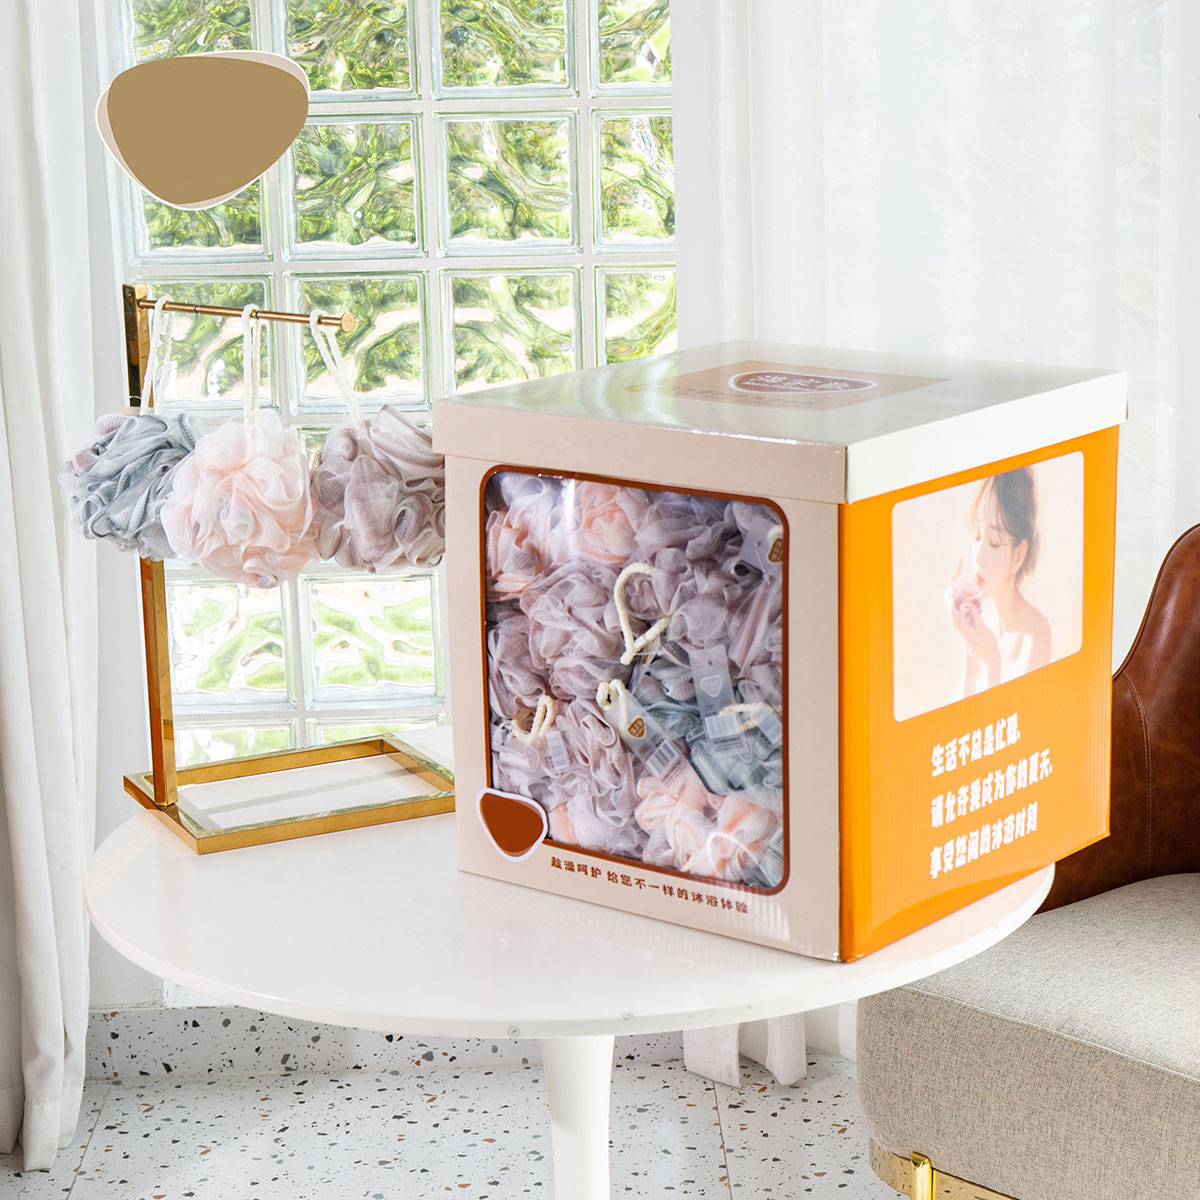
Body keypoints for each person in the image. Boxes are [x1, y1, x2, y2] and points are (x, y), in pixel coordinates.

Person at [947, 467, 1050, 696]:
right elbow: (964, 715)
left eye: (994, 542)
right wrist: (970, 653)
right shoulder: (986, 631)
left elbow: (1013, 716)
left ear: (1018, 556)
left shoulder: (1035, 634)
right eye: (977, 536)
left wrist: (991, 663)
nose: (978, 557)